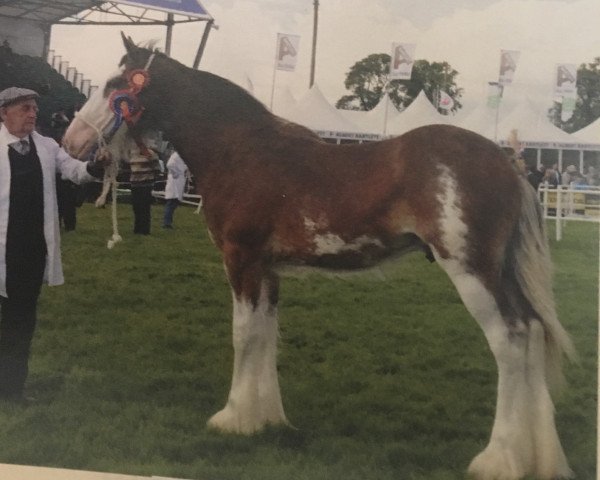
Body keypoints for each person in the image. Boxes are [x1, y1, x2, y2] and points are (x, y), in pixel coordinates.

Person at [0, 86, 107, 403]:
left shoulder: (47, 147)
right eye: (23, 108)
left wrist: (94, 167)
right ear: (4, 113)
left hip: (30, 253)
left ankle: (11, 392)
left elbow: (73, 170)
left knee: (21, 323)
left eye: (34, 108)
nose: (32, 114)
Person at [128, 143, 160, 235]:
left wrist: (151, 177)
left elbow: (157, 168)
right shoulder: (132, 153)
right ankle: (137, 229)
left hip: (146, 185)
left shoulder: (150, 153)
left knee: (144, 207)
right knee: (136, 207)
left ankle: (145, 230)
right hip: (134, 185)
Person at [162, 150, 189, 229]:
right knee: (171, 203)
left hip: (179, 180)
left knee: (174, 202)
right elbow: (169, 165)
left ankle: (168, 222)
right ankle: (166, 223)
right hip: (174, 181)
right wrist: (175, 173)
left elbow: (182, 166)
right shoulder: (176, 155)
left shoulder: (180, 155)